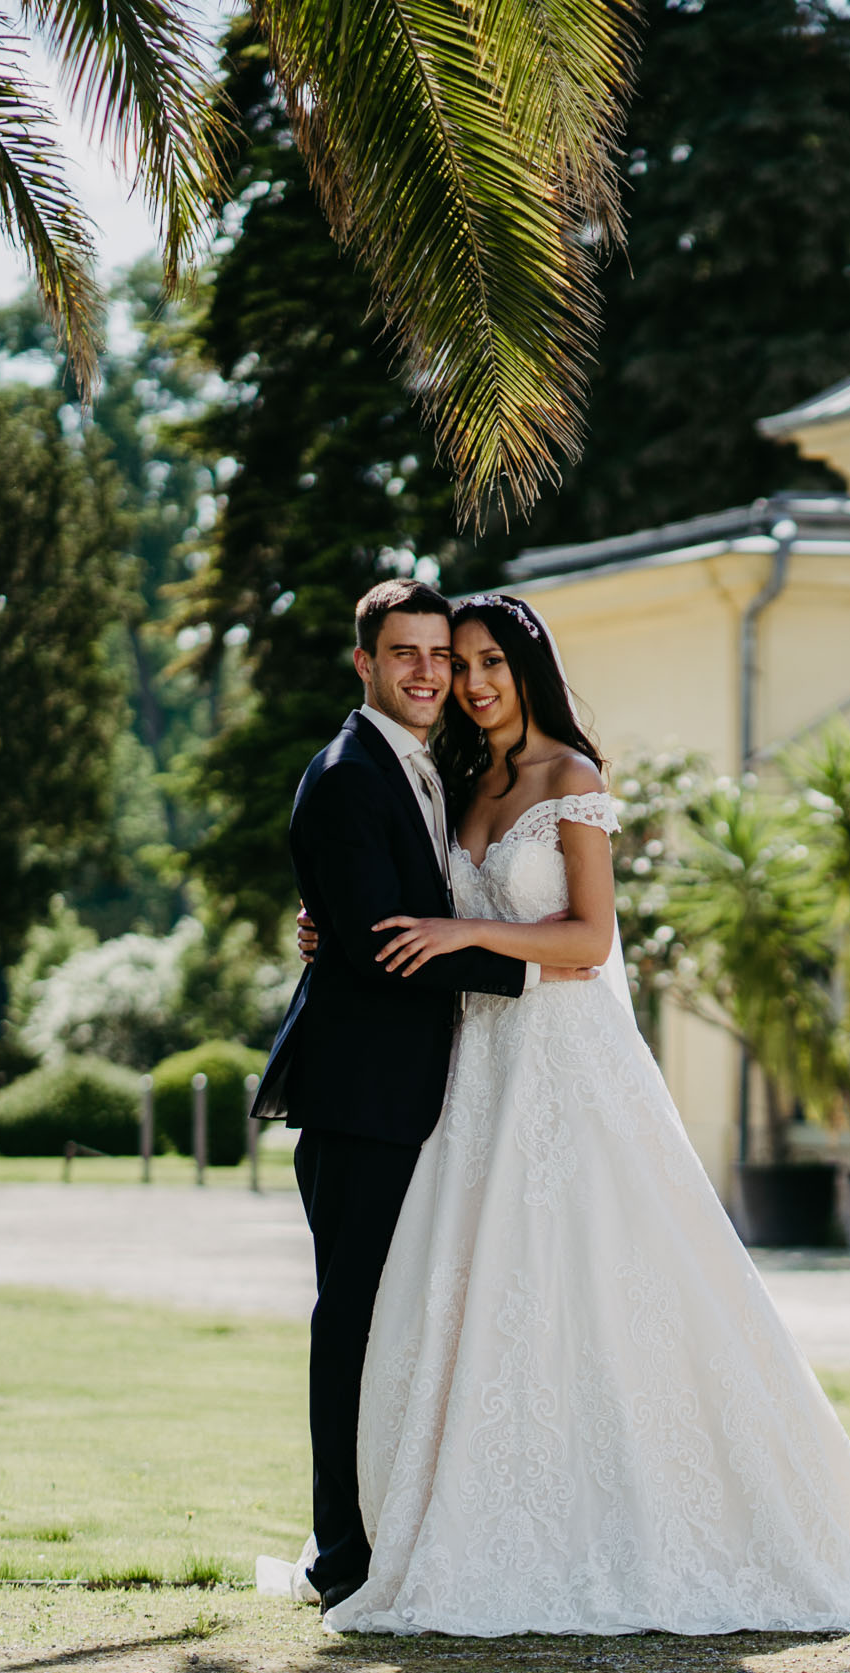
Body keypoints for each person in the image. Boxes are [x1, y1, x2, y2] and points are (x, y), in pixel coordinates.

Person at [283, 590, 850, 1637]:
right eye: (451, 664)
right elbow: (393, 902)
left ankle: (633, 1524)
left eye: (485, 665)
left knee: (598, 1283)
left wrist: (446, 930)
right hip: (472, 1071)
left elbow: (588, 942)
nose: (469, 683)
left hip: (560, 1057)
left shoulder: (572, 779)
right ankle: (437, 1519)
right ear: (376, 664)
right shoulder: (458, 779)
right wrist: (334, 931)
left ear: (527, 670)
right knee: (469, 1298)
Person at [253, 579, 594, 1611]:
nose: (430, 672)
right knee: (351, 1321)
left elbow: (410, 908)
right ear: (365, 664)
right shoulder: (347, 773)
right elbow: (376, 941)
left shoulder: (447, 768)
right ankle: (340, 1554)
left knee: (428, 1318)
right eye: (406, 654)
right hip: (363, 1094)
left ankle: (429, 1523)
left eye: (442, 655)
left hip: (451, 1093)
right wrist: (532, 975)